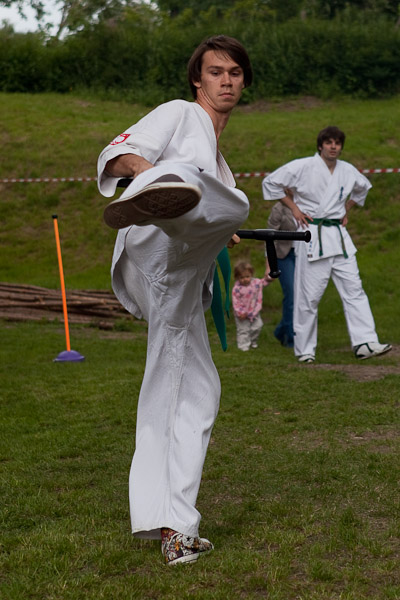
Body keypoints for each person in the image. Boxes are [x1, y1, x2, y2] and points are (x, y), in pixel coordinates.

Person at [97, 35, 253, 565]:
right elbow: (116, 153)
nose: (226, 80)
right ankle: (164, 197)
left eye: (235, 72)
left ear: (244, 82)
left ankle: (175, 527)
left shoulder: (220, 163)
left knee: (194, 391)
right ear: (197, 79)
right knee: (226, 198)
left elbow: (216, 204)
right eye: (215, 72)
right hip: (154, 251)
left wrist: (217, 231)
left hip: (181, 272)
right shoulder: (180, 113)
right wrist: (145, 174)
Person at [262, 126, 392, 363]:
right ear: (320, 145)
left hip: (339, 237)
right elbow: (271, 182)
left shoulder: (347, 170)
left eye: (337, 143)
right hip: (312, 235)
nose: (333, 147)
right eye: (329, 142)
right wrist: (294, 209)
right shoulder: (302, 166)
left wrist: (346, 208)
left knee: (354, 289)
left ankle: (365, 342)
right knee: (309, 297)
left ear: (341, 147)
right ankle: (305, 350)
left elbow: (363, 188)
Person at [266, 199, 297, 348]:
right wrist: (269, 266)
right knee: (291, 294)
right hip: (284, 256)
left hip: (305, 255)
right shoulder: (279, 209)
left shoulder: (309, 202)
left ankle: (281, 331)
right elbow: (269, 237)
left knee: (303, 296)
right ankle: (290, 338)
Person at [232, 261, 271, 351]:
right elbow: (236, 302)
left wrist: (270, 278)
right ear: (237, 277)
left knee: (257, 326)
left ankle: (253, 341)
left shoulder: (256, 283)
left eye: (247, 276)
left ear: (251, 275)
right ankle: (243, 346)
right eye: (242, 277)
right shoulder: (237, 289)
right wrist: (240, 312)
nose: (245, 279)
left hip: (254, 312)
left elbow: (264, 282)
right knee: (243, 330)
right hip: (242, 314)